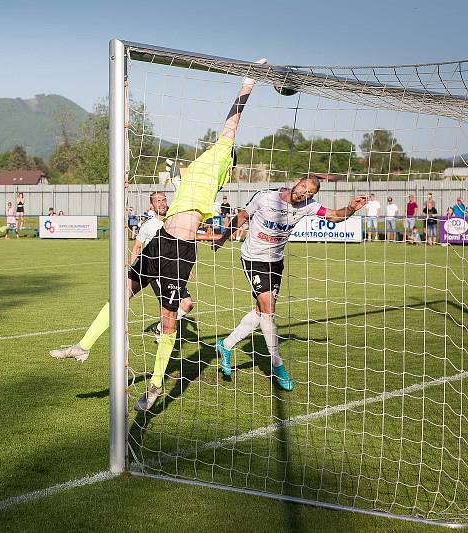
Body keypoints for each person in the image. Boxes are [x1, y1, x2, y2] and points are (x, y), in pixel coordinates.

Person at [130, 61, 266, 413]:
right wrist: (220, 237)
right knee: (125, 290)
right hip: (162, 239)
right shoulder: (199, 172)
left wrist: (247, 83)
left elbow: (231, 122)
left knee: (172, 317)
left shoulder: (221, 158)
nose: (212, 143)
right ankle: (91, 345)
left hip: (180, 250)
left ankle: (156, 385)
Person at [212, 176, 366, 392]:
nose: (304, 193)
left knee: (260, 311)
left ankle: (226, 345)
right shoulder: (266, 197)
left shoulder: (308, 206)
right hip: (254, 258)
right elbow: (243, 216)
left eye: (310, 193)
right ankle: (278, 365)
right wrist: (222, 238)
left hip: (276, 262)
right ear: (297, 182)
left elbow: (334, 217)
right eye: (303, 187)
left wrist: (351, 208)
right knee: (269, 308)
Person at [50, 192, 195, 363]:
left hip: (171, 270)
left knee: (187, 304)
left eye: (164, 200)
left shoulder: (174, 221)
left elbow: (183, 245)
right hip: (151, 269)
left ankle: (158, 329)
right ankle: (83, 346)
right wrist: (131, 269)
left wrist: (185, 267)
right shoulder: (149, 226)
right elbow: (137, 248)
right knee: (121, 298)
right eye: (158, 201)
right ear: (152, 206)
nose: (162, 203)